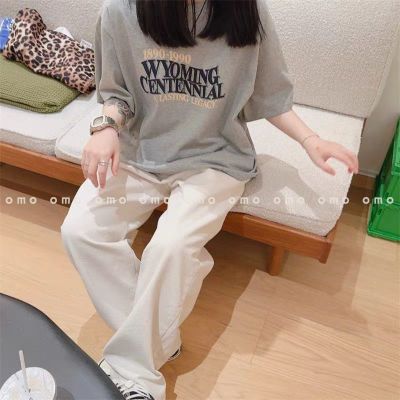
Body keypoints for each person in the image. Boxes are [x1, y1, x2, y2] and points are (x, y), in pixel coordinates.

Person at [60, 0, 359, 399]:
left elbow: (271, 94)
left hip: (216, 158)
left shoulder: (245, 10)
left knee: (171, 246)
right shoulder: (120, 10)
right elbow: (116, 94)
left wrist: (311, 141)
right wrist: (105, 128)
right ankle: (159, 339)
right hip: (140, 151)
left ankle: (135, 373)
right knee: (80, 231)